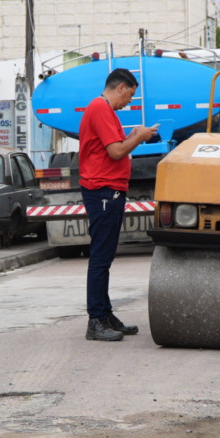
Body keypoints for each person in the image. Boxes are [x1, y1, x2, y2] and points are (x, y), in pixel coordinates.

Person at [78, 68, 158, 341]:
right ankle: (96, 320)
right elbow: (117, 151)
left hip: (107, 190)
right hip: (102, 190)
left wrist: (134, 134)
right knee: (101, 257)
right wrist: (140, 136)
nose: (130, 102)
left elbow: (116, 146)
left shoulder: (106, 112)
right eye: (131, 96)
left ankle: (104, 314)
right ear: (121, 87)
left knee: (106, 255)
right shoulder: (100, 109)